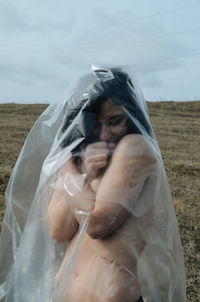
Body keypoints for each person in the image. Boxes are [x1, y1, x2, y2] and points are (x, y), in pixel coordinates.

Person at [0, 66, 186, 302]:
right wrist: (83, 172)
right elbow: (58, 230)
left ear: (132, 115)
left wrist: (65, 165)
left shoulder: (135, 147)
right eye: (96, 125)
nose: (105, 135)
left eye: (114, 121)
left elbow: (98, 224)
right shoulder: (87, 159)